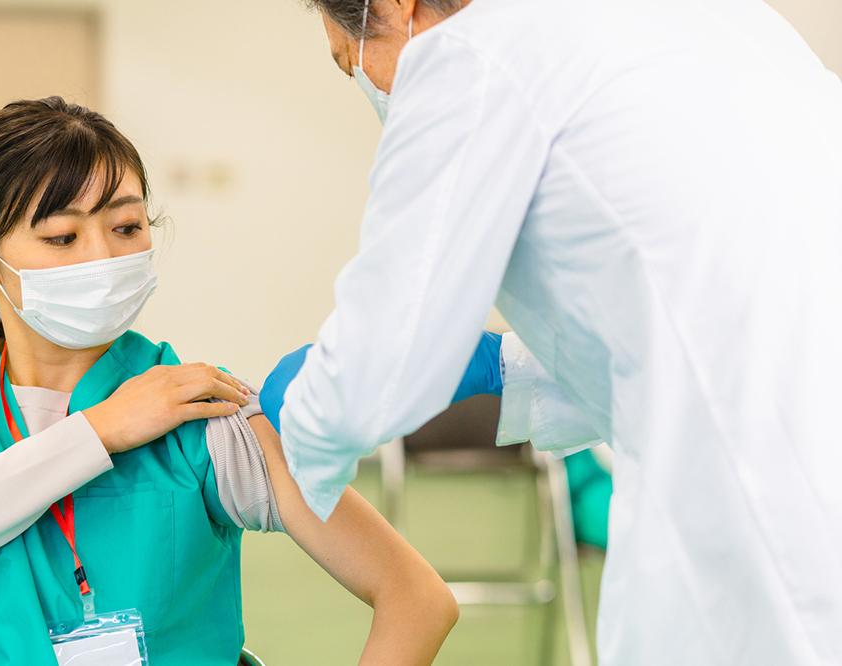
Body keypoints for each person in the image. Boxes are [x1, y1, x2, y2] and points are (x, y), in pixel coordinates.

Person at [259, 0, 842, 663]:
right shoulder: (714, 19)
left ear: (397, 6)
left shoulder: (465, 59)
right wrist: (504, 370)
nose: (370, 85)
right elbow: (685, 318)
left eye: (352, 64)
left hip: (767, 502)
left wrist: (303, 411)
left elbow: (370, 373)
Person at [0, 97, 458, 665]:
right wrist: (103, 429)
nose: (102, 258)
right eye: (62, 237)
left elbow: (416, 597)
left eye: (127, 227)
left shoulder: (202, 411)